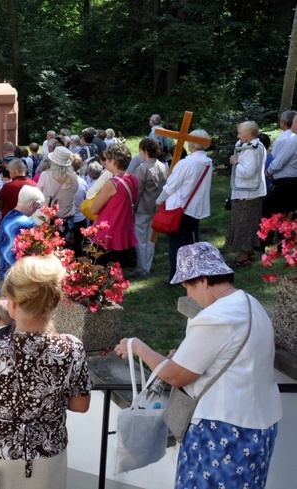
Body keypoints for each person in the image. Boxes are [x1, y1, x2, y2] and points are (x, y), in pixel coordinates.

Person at [113, 242, 281, 489]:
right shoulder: (250, 303)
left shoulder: (215, 317)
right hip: (259, 428)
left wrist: (139, 347)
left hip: (223, 431)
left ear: (203, 280)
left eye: (188, 286)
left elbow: (176, 375)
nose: (189, 296)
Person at [0, 255, 92, 487]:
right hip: (49, 460)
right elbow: (81, 405)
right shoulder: (72, 347)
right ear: (54, 302)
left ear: (13, 305)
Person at [156, 129, 213, 281]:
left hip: (180, 208)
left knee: (176, 244)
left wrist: (159, 201)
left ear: (192, 143)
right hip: (196, 208)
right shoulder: (208, 163)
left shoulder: (186, 163)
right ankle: (190, 273)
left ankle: (176, 277)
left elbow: (170, 186)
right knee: (188, 242)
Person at [225, 121, 268, 267]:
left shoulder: (253, 150)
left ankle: (244, 256)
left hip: (248, 193)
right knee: (247, 222)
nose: (238, 136)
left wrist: (235, 163)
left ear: (249, 134)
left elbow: (247, 173)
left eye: (240, 133)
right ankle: (248, 251)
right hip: (248, 192)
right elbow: (239, 142)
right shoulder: (252, 145)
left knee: (244, 224)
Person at [90, 143, 139, 267]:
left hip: (108, 232)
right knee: (117, 269)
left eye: (107, 159)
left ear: (114, 161)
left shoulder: (112, 183)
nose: (105, 162)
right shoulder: (133, 179)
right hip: (124, 229)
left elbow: (95, 209)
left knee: (99, 268)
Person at [132, 138, 168, 276]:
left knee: (141, 239)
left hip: (143, 207)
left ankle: (142, 268)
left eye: (141, 151)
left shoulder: (142, 168)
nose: (140, 154)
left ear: (146, 152)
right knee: (151, 238)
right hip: (158, 207)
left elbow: (138, 191)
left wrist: (133, 206)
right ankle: (147, 265)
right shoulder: (163, 166)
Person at [0, 186, 44, 278]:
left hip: (3, 267)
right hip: (17, 274)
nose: (36, 209)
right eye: (37, 206)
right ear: (33, 204)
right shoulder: (27, 223)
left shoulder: (9, 215)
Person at [37, 146, 79, 244]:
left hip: (49, 219)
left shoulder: (45, 175)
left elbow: (37, 196)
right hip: (68, 219)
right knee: (65, 252)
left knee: (48, 250)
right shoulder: (74, 177)